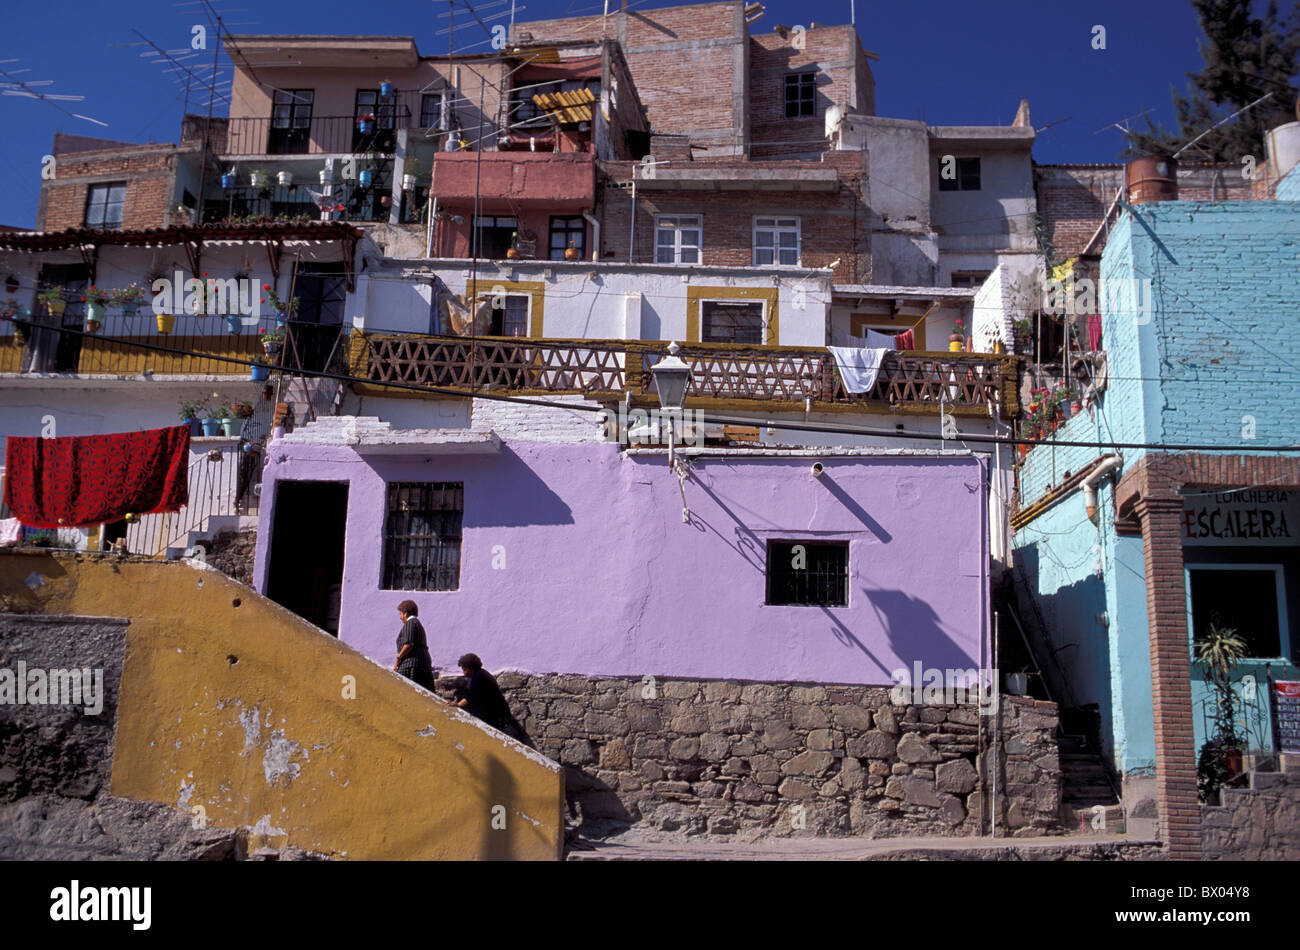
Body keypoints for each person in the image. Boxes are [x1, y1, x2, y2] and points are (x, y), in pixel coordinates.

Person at [448, 653, 533, 747]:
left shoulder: (479, 678)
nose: (464, 673)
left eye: (465, 670)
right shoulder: (481, 674)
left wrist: (458, 705)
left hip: (497, 718)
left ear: (471, 668)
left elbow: (470, 697)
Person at [393, 600, 436, 690]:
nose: (400, 617)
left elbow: (409, 644)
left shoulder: (410, 623)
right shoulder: (417, 624)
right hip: (422, 663)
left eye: (400, 614)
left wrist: (398, 658)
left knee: (405, 690)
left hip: (412, 664)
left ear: (405, 613)